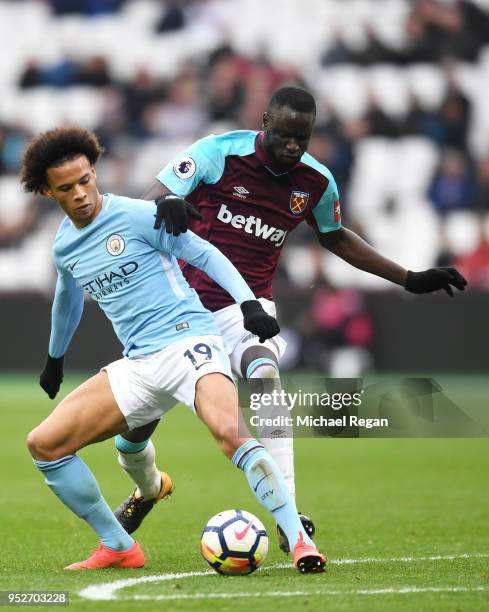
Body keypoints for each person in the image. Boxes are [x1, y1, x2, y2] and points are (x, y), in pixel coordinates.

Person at [114, 86, 467, 554]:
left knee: (265, 373)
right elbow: (151, 199)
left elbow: (336, 237)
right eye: (284, 135)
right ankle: (148, 487)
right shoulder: (217, 154)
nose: (293, 146)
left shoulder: (315, 182)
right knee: (133, 436)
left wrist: (408, 277)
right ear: (265, 121)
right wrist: (165, 203)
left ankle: (288, 516)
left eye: (302, 137)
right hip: (180, 312)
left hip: (248, 311)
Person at [21, 126, 326, 573]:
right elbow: (66, 300)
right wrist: (54, 358)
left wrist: (248, 305)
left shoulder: (138, 215)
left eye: (86, 179)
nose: (82, 193)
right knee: (44, 445)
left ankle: (299, 540)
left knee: (231, 433)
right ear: (48, 191)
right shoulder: (65, 246)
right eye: (67, 188)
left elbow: (205, 254)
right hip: (139, 363)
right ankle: (119, 546)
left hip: (190, 343)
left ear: (94, 172)